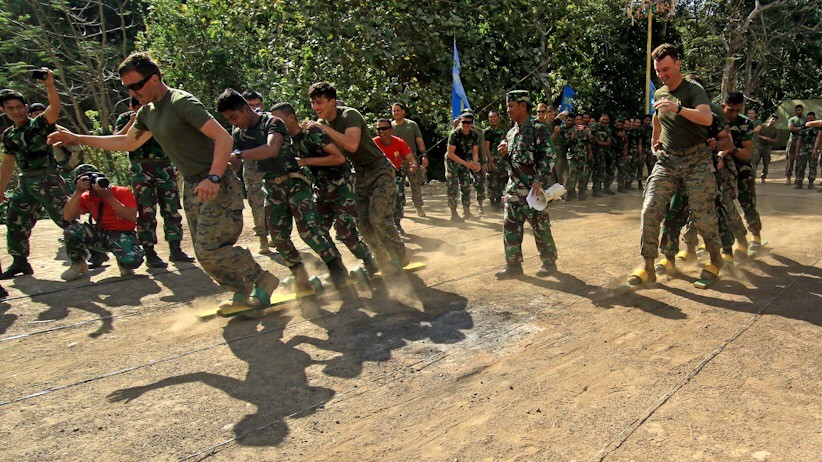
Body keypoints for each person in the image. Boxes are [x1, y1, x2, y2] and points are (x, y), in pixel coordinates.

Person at [48, 52, 279, 310]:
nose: (133, 92)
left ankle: (263, 279)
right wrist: (78, 138)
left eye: (136, 85)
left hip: (216, 182)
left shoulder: (181, 102)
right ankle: (240, 288)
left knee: (209, 248)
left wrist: (213, 177)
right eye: (127, 88)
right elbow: (127, 142)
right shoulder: (147, 112)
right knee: (203, 253)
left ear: (155, 79)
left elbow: (223, 138)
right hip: (192, 186)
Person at [218, 89, 350, 290]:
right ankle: (300, 277)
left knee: (309, 231)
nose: (233, 122)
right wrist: (229, 161)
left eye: (234, 117)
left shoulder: (272, 123)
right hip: (272, 187)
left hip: (295, 183)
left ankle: (337, 269)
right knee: (278, 238)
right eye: (228, 120)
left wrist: (239, 154)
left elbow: (272, 149)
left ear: (245, 108)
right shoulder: (238, 132)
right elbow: (237, 164)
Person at [630, 43, 723, 287]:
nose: (662, 75)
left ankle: (715, 259)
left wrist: (679, 108)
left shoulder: (694, 90)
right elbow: (657, 116)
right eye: (658, 70)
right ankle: (648, 266)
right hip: (668, 161)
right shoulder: (660, 93)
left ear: (678, 64)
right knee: (650, 209)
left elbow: (706, 117)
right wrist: (654, 140)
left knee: (703, 214)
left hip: (697, 160)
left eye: (666, 69)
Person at [305, 81, 409, 273]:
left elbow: (351, 145)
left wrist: (323, 128)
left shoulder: (349, 115)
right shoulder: (322, 124)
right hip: (359, 173)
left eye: (320, 102)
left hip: (380, 169)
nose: (316, 107)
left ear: (332, 102)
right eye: (313, 103)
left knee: (378, 217)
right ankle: (382, 259)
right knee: (361, 222)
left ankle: (400, 257)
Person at [271, 102, 379, 275]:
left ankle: (368, 260)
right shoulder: (288, 143)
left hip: (342, 184)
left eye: (278, 119)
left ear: (291, 117)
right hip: (321, 189)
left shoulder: (311, 132)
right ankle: (338, 270)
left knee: (345, 232)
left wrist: (305, 161)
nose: (274, 124)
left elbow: (339, 158)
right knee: (317, 230)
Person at [0, 71, 74, 279]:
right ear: (3, 110)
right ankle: (20, 261)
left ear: (26, 108)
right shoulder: (9, 135)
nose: (16, 111)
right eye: (10, 108)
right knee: (15, 221)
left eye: (19, 107)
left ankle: (91, 252)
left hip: (47, 179)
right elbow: (8, 162)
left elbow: (55, 108)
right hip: (25, 181)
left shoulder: (39, 124)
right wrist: (0, 189)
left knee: (66, 218)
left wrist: (49, 85)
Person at [114, 97, 193, 268]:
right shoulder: (126, 118)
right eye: (138, 107)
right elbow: (118, 140)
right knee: (146, 211)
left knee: (171, 209)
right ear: (132, 107)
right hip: (141, 169)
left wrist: (178, 164)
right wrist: (132, 123)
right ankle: (149, 252)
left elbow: (175, 141)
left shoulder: (160, 117)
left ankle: (175, 249)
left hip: (164, 167)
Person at [495, 90, 557, 278]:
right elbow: (512, 162)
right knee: (510, 227)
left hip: (532, 190)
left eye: (511, 106)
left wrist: (539, 180)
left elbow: (549, 155)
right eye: (507, 106)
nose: (508, 110)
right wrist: (504, 154)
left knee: (540, 226)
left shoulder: (539, 128)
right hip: (513, 189)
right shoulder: (511, 132)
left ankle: (549, 262)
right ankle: (513, 265)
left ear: (523, 106)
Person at [60, 164, 144, 281]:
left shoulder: (121, 192)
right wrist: (78, 192)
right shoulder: (86, 197)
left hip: (123, 234)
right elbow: (68, 217)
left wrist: (108, 197)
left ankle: (124, 263)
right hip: (101, 234)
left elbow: (131, 217)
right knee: (72, 231)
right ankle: (78, 264)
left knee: (132, 261)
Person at [372, 119, 418, 234]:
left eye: (384, 128)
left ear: (391, 130)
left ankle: (397, 222)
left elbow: (410, 157)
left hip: (395, 172)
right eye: (378, 129)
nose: (381, 131)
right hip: (377, 174)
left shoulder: (399, 142)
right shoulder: (372, 143)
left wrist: (413, 164)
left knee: (398, 196)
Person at [391, 102, 429, 217]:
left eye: (398, 110)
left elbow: (419, 141)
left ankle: (418, 207)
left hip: (411, 158)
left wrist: (424, 155)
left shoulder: (412, 125)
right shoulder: (390, 126)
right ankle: (400, 208)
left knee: (415, 183)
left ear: (403, 111)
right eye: (394, 110)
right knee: (398, 185)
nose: (396, 112)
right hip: (396, 159)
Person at [446, 111, 482, 221]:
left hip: (465, 160)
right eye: (464, 122)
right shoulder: (454, 134)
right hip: (452, 161)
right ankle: (454, 213)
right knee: (452, 187)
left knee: (466, 185)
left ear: (472, 124)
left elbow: (475, 152)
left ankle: (467, 211)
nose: (466, 125)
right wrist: (467, 164)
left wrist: (475, 164)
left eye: (468, 122)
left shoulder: (474, 135)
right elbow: (450, 153)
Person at [484, 110, 507, 210]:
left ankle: (498, 201)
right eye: (490, 117)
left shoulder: (503, 132)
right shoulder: (488, 132)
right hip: (492, 159)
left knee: (501, 180)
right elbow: (486, 148)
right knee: (492, 181)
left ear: (498, 118)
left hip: (502, 160)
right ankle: (492, 203)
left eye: (494, 117)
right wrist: (490, 162)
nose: (492, 119)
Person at [566, 114, 592, 201]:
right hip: (572, 156)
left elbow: (590, 141)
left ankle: (581, 193)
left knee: (582, 175)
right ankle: (570, 193)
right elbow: (568, 142)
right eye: (576, 120)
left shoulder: (585, 130)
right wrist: (574, 132)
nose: (578, 121)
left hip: (582, 156)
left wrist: (589, 133)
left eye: (579, 120)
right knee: (572, 176)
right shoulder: (570, 130)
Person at [590, 114, 615, 196]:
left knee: (603, 171)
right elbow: (591, 139)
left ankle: (605, 188)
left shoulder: (608, 129)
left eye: (606, 120)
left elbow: (609, 142)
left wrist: (601, 143)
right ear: (599, 119)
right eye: (603, 119)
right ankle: (596, 190)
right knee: (596, 171)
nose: (605, 121)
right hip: (594, 153)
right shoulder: (593, 127)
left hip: (604, 153)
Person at [794, 112, 819, 189]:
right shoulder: (803, 128)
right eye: (808, 119)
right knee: (801, 165)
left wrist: (817, 150)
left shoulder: (818, 128)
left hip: (813, 149)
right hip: (803, 149)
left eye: (811, 119)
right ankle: (799, 182)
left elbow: (819, 139)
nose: (809, 120)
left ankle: (811, 183)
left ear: (814, 119)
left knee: (813, 166)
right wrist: (797, 151)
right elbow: (799, 140)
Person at [752, 115, 777, 183]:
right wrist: (763, 137)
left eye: (775, 120)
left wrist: (770, 140)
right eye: (772, 119)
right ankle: (753, 177)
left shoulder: (775, 129)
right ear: (770, 119)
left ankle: (763, 177)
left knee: (766, 163)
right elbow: (756, 134)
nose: (773, 121)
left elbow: (775, 140)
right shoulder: (762, 126)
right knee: (755, 162)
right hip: (759, 146)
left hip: (767, 148)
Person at [785, 104, 805, 185]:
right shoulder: (792, 119)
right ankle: (788, 178)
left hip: (802, 142)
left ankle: (798, 178)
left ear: (802, 110)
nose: (798, 111)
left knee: (800, 161)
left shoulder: (805, 119)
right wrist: (801, 128)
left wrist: (797, 129)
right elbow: (791, 128)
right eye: (796, 110)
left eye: (799, 110)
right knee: (790, 160)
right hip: (792, 141)